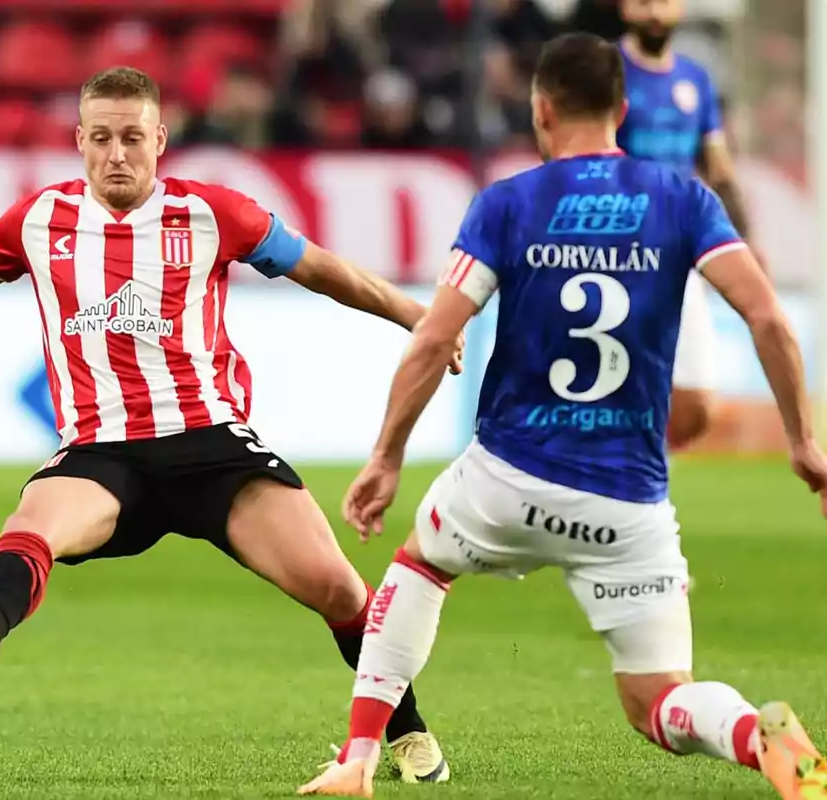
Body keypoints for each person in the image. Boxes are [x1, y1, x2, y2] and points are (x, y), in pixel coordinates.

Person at [0, 66, 458, 784]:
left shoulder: (213, 214)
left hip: (210, 445)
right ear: (79, 141)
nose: (117, 153)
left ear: (160, 141)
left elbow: (324, 270)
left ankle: (409, 731)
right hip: (101, 451)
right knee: (33, 522)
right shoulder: (39, 221)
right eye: (102, 138)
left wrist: (419, 318)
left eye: (133, 138)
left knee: (336, 590)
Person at [298, 33, 827, 799]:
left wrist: (385, 457)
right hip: (627, 501)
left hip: (507, 478)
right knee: (659, 702)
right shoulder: (681, 200)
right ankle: (758, 735)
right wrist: (805, 442)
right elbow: (771, 321)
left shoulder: (509, 203)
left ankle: (358, 758)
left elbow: (436, 338)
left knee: (420, 564)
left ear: (540, 109)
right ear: (622, 110)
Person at [616, 0, 763, 449]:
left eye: (664, 3)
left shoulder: (694, 79)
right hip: (617, 248)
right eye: (644, 4)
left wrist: (745, 245)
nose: (656, 14)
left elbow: (718, 169)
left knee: (697, 405)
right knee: (615, 380)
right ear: (625, 8)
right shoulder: (606, 70)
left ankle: (641, 468)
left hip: (679, 249)